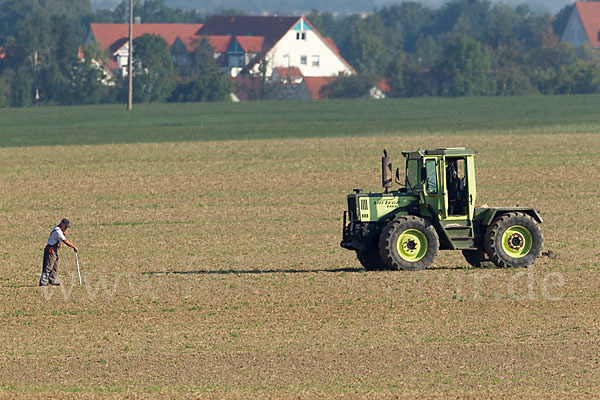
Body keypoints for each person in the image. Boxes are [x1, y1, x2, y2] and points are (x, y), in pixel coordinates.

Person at [39, 218, 78, 286]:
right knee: (48, 266)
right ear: (62, 224)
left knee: (54, 266)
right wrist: (74, 246)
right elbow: (65, 241)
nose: (66, 228)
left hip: (54, 250)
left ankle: (52, 280)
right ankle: (43, 282)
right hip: (51, 250)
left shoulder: (58, 229)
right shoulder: (58, 231)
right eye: (65, 227)